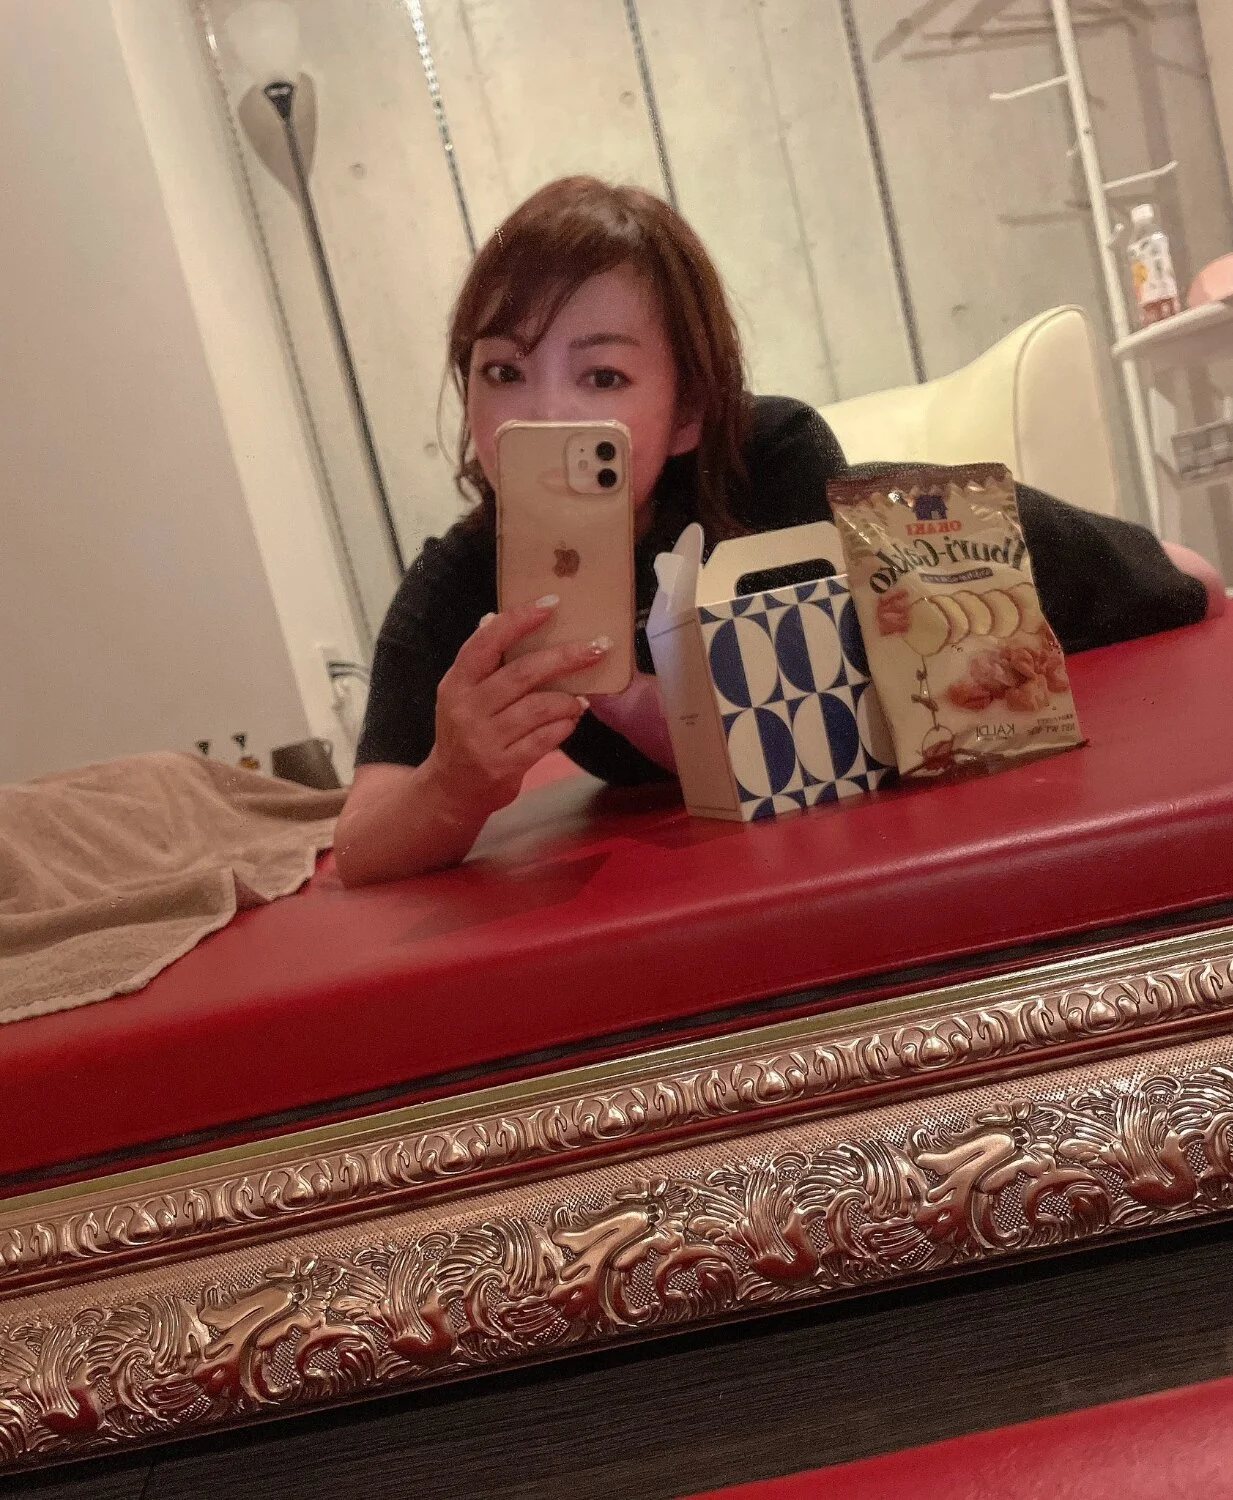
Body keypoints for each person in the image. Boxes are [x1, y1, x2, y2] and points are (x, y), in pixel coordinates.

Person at [334, 177, 1224, 888]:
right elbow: (363, 841)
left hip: (922, 557)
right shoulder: (459, 582)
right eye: (503, 371)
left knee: (1184, 583)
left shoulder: (771, 462)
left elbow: (809, 735)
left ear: (688, 409)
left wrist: (624, 696)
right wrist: (451, 784)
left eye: (602, 376)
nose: (545, 413)